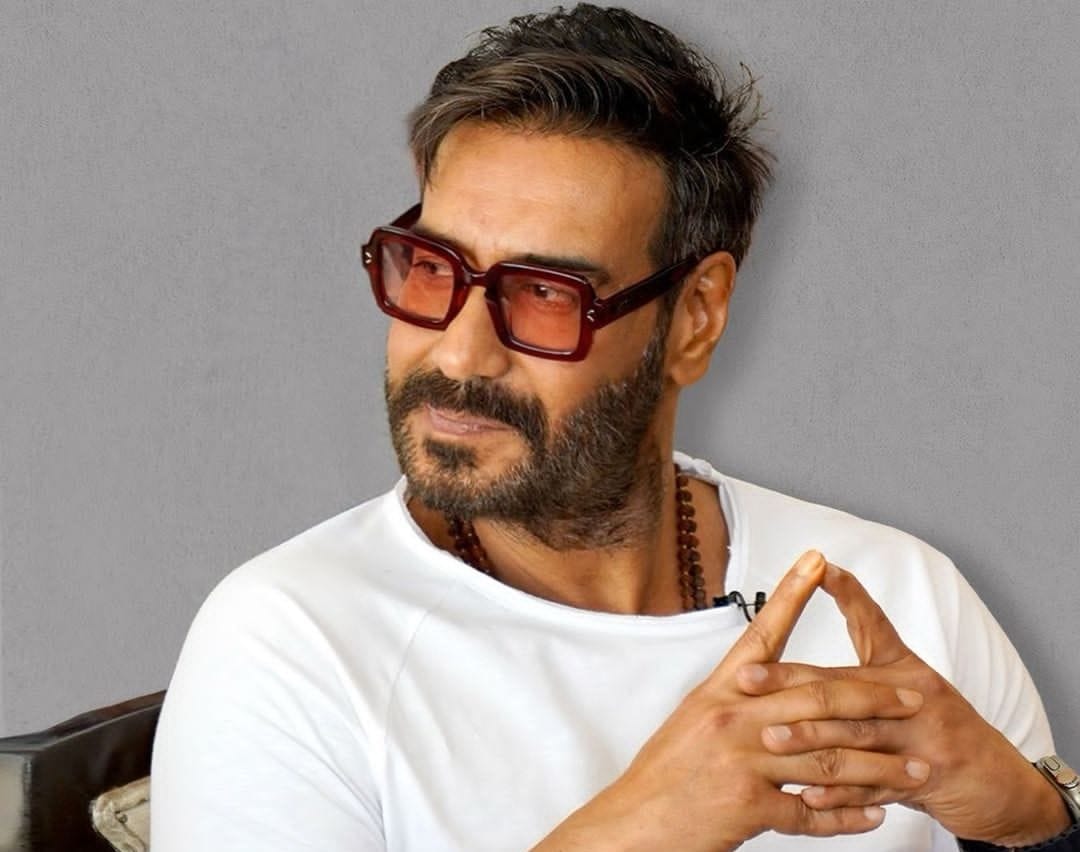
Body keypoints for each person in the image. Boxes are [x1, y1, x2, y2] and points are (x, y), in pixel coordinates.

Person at [150, 5, 1080, 850]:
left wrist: (1036, 821)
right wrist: (651, 822)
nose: (460, 354)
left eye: (544, 293)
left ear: (695, 318)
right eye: (432, 267)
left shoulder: (897, 600)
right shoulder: (291, 640)